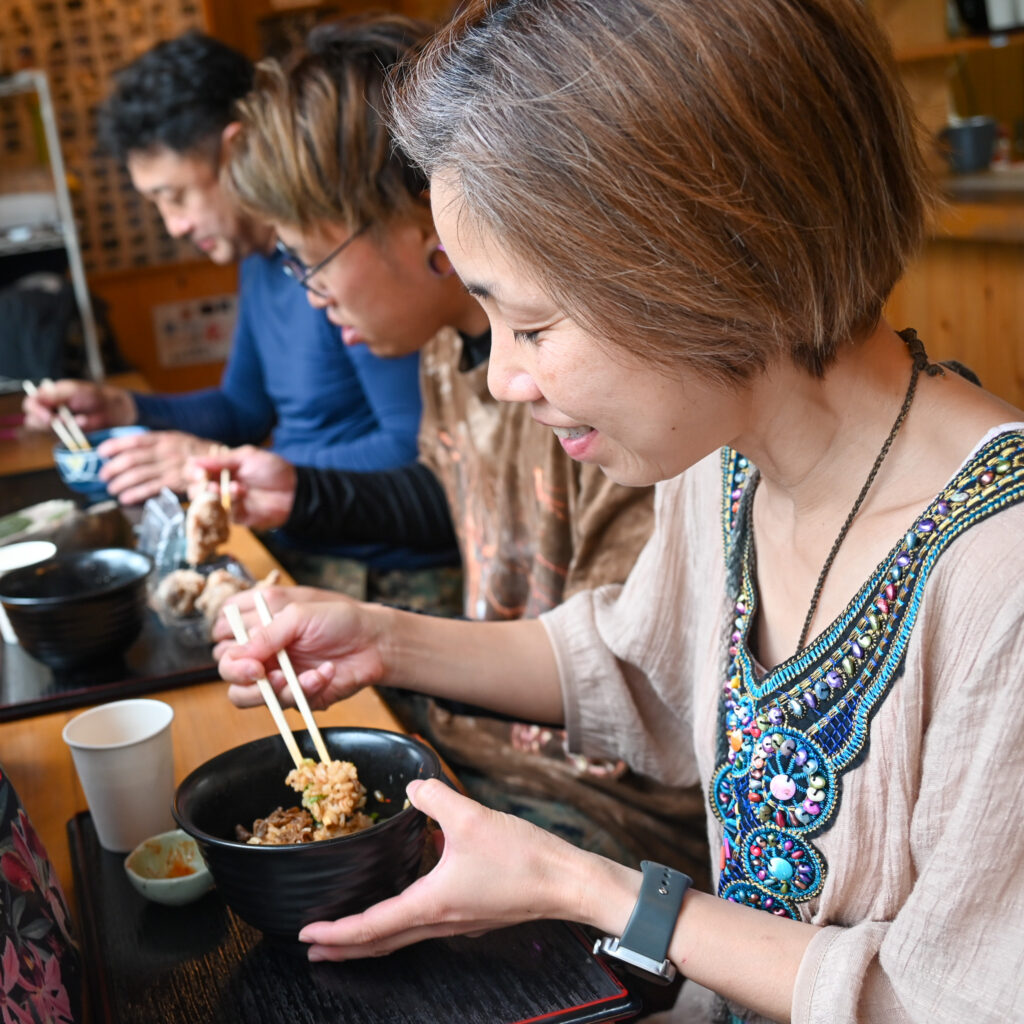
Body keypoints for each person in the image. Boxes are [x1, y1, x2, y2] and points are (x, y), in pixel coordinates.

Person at [217, 1, 1024, 1022]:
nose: (502, 376)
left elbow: (955, 999)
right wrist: (381, 639)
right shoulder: (721, 449)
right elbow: (636, 665)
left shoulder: (1001, 574)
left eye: (532, 323)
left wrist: (581, 884)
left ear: (707, 261)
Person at [197, 16, 703, 882]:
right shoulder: (440, 353)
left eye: (314, 258)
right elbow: (452, 496)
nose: (310, 294)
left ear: (420, 217)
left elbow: (640, 674)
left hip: (603, 802)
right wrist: (308, 511)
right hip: (477, 744)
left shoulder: (614, 385)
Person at [19, 32, 436, 581]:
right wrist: (124, 408)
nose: (175, 226)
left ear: (236, 149)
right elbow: (245, 408)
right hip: (297, 536)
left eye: (177, 195)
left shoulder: (354, 270)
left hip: (374, 566)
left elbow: (417, 451)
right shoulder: (259, 263)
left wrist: (216, 466)